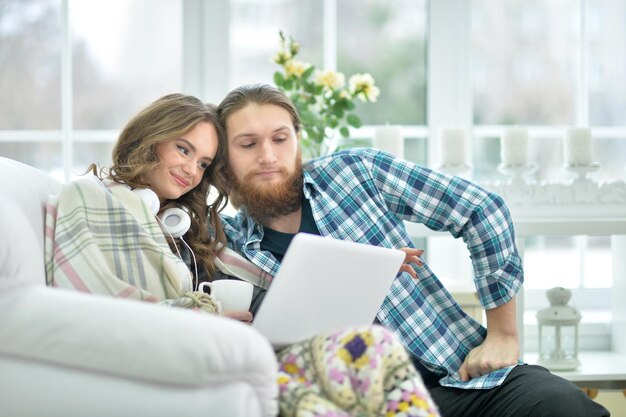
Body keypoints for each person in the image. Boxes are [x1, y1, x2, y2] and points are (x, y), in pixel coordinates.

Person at [216, 83, 610, 417]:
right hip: (362, 405)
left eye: (280, 139)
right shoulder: (228, 250)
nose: (268, 156)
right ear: (225, 163)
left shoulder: (356, 172)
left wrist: (503, 334)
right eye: (248, 144)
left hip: (461, 375)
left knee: (564, 406)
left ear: (297, 141)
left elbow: (481, 210)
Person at [44, 93, 441, 417]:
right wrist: (199, 316)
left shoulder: (177, 223)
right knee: (367, 353)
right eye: (183, 149)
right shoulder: (91, 194)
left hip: (231, 354)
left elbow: (273, 284)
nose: (191, 171)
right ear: (150, 138)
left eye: (202, 163)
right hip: (179, 360)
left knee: (370, 349)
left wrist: (361, 270)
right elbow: (83, 297)